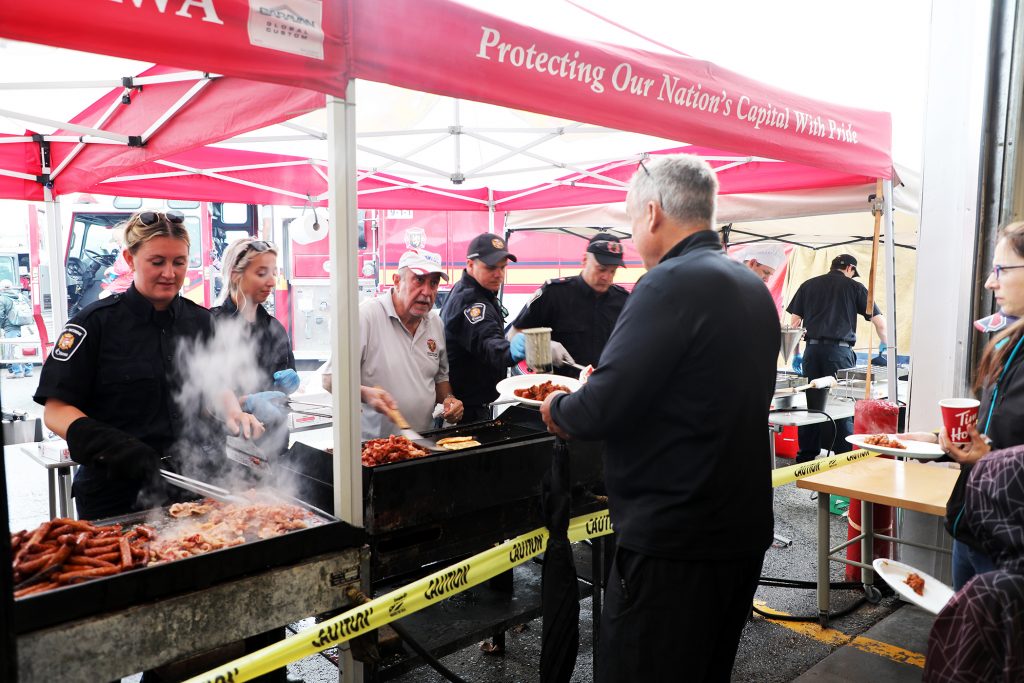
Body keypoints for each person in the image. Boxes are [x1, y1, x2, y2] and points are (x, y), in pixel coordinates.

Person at [540, 155, 779, 682]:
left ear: (651, 213)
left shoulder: (667, 283)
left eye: (631, 221)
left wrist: (557, 406)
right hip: (739, 529)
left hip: (675, 544)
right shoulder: (750, 287)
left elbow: (601, 406)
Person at [33, 209, 262, 521]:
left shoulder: (201, 321)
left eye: (179, 262)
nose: (169, 272)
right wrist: (109, 444)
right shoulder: (94, 324)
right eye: (157, 262)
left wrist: (233, 412)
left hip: (195, 481)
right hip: (117, 492)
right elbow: (56, 410)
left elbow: (215, 384)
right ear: (130, 260)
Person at [904, 221, 1024, 589]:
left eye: (1001, 269)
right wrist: (941, 442)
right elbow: (995, 437)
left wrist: (983, 458)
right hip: (973, 530)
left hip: (1009, 548)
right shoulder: (1012, 341)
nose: (990, 282)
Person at [442, 233, 573, 422]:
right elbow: (488, 343)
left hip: (471, 404)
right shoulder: (472, 303)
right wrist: (517, 349)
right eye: (491, 267)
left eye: (503, 267)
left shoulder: (473, 288)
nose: (499, 274)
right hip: (464, 411)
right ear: (470, 265)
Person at [786, 253, 889, 463]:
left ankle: (806, 456)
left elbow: (794, 323)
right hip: (840, 354)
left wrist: (795, 354)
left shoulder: (809, 285)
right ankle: (843, 459)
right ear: (850, 268)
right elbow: (880, 323)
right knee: (842, 404)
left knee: (812, 405)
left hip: (812, 353)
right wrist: (885, 347)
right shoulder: (855, 288)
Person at [358, 248, 464, 439]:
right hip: (372, 446)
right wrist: (366, 394)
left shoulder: (435, 323)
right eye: (419, 280)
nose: (427, 292)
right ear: (397, 281)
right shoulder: (367, 316)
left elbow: (440, 378)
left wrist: (449, 401)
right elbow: (330, 379)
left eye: (433, 283)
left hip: (421, 444)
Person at [211, 237, 298, 452]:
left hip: (275, 445)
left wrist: (289, 385)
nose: (271, 282)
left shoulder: (275, 327)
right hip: (230, 450)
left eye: (273, 273)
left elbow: (285, 388)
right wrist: (245, 402)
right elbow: (202, 403)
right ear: (235, 274)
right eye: (261, 273)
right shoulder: (211, 325)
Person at [508, 232, 628, 378]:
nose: (607, 277)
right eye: (601, 269)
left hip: (604, 388)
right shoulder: (553, 293)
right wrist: (536, 345)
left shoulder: (623, 300)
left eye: (613, 271)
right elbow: (514, 334)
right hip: (559, 390)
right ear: (584, 260)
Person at [0, 280, 30, 378]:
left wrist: (1, 326)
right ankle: (28, 370)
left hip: (11, 327)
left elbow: (0, 315)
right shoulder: (21, 296)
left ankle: (17, 372)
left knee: (12, 349)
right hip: (25, 325)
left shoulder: (2, 299)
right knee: (25, 347)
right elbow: (29, 308)